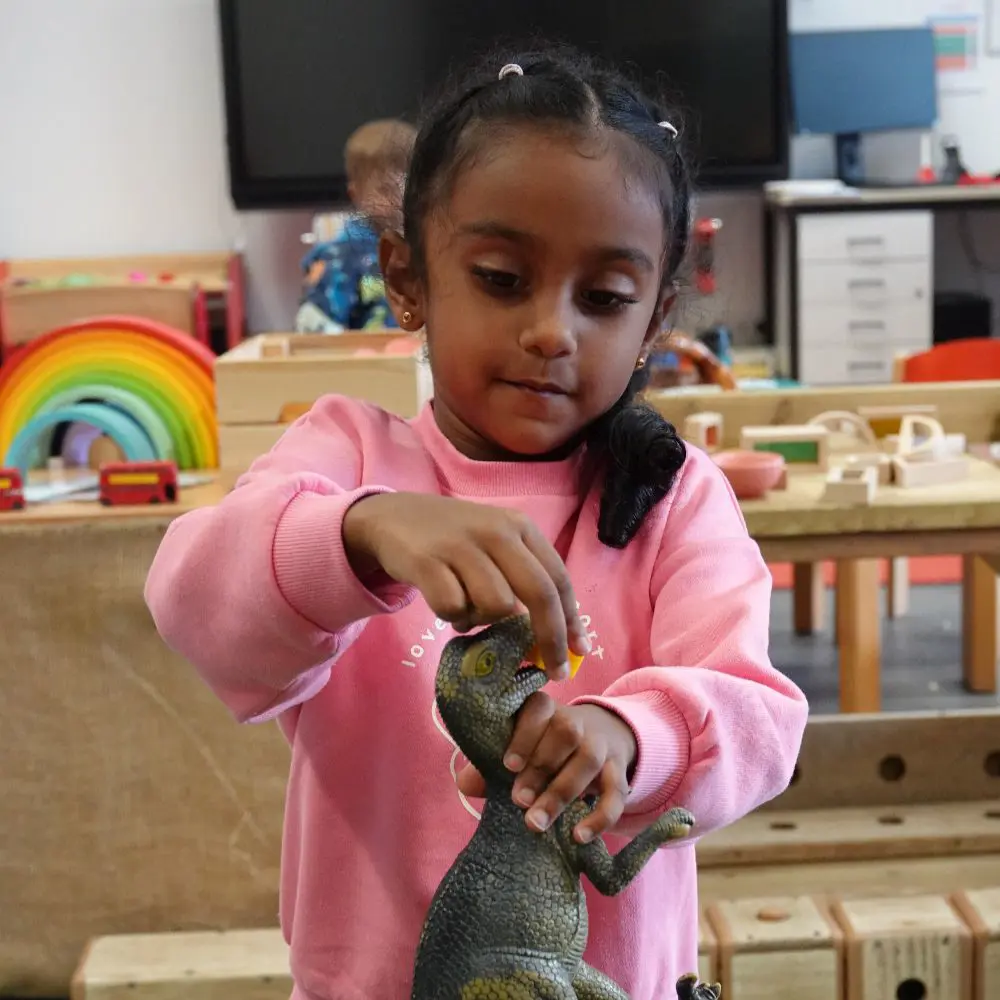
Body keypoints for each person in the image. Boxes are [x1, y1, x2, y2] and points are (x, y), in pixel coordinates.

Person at [146, 43, 808, 1000]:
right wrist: (360, 532)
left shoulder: (675, 497)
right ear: (407, 279)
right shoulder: (345, 458)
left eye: (606, 298)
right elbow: (191, 601)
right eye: (502, 278)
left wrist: (634, 735)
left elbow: (761, 718)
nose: (552, 330)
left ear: (654, 317)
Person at [296, 118, 417, 332]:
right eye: (386, 190)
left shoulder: (429, 247)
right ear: (357, 195)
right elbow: (312, 322)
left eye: (412, 186)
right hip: (365, 360)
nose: (401, 198)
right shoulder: (342, 256)